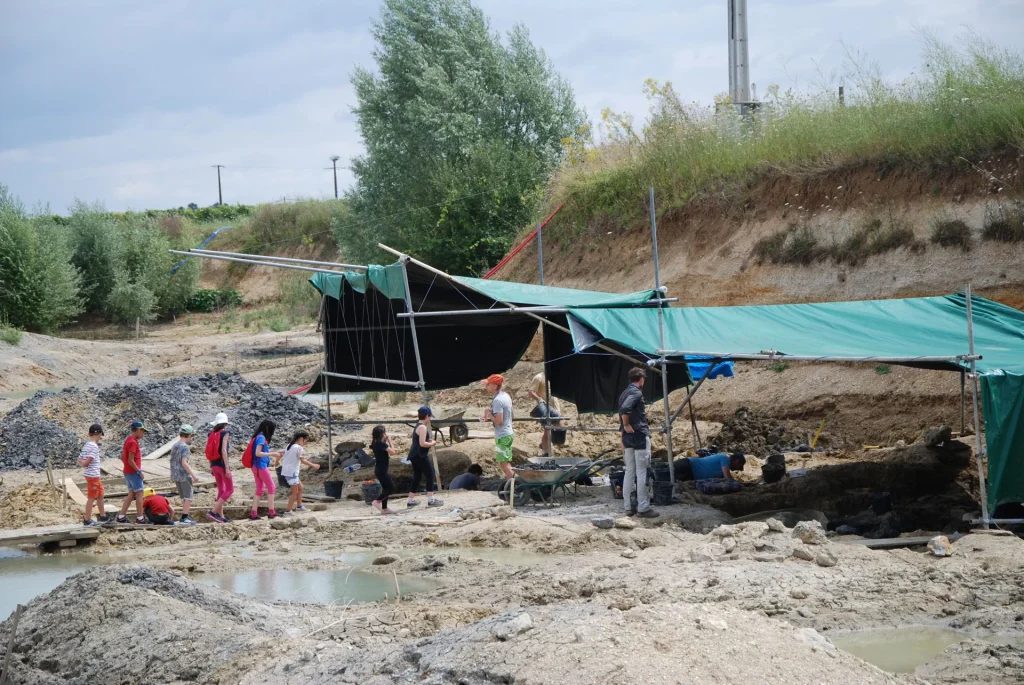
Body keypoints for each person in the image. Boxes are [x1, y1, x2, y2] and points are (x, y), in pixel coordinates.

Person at [618, 368, 658, 519]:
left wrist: (624, 431)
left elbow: (623, 409)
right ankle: (643, 508)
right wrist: (627, 424)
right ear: (641, 379)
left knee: (629, 471)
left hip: (628, 438)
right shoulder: (636, 393)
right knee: (642, 471)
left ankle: (628, 507)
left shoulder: (624, 393)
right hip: (639, 435)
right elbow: (625, 409)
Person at [407, 406, 443, 508]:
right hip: (420, 455)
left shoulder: (418, 426)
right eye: (429, 417)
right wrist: (433, 443)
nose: (429, 419)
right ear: (427, 416)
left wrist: (429, 442)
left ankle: (410, 500)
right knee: (430, 475)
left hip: (414, 455)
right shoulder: (422, 427)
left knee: (417, 477)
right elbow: (422, 444)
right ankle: (431, 500)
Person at [278, 430, 320, 515]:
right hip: (292, 472)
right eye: (305, 441)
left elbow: (281, 454)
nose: (305, 443)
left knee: (300, 488)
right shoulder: (299, 448)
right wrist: (313, 465)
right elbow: (302, 460)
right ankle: (288, 511)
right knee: (295, 492)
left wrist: (276, 461)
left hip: (288, 472)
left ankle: (299, 506)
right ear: (301, 439)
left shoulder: (289, 446)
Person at [248, 419, 283, 520]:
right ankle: (272, 512)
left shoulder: (257, 436)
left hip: (255, 466)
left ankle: (253, 513)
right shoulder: (261, 438)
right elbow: (258, 453)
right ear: (268, 428)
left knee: (260, 488)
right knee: (271, 487)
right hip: (261, 466)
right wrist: (272, 454)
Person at [482, 374, 515, 479]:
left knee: (504, 466)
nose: (486, 387)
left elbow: (499, 421)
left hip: (502, 436)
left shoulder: (497, 400)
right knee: (507, 463)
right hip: (507, 433)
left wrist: (489, 414)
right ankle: (513, 484)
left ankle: (515, 487)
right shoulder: (506, 396)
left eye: (488, 384)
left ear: (495, 386)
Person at [77, 423, 110, 526]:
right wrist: (85, 464)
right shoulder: (94, 446)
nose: (100, 437)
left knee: (100, 495)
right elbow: (86, 462)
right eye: (101, 435)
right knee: (91, 497)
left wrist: (83, 464)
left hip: (91, 475)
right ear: (99, 434)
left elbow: (79, 459)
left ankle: (103, 516)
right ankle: (87, 519)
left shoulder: (86, 445)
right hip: (93, 476)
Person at [116, 420, 148, 524]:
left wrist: (127, 467)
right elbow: (130, 459)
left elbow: (122, 457)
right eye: (142, 431)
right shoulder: (133, 442)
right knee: (139, 494)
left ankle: (121, 516)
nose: (143, 434)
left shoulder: (128, 440)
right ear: (138, 430)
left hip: (128, 471)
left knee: (131, 494)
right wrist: (138, 471)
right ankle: (140, 518)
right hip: (134, 472)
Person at [205, 412, 234, 523]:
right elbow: (223, 451)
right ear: (225, 424)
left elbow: (209, 449)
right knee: (230, 489)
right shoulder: (225, 433)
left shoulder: (211, 434)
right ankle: (213, 512)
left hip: (213, 464)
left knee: (221, 489)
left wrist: (210, 465)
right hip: (222, 464)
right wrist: (227, 467)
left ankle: (221, 517)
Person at [528, 371, 563, 456]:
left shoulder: (553, 377)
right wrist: (539, 399)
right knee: (548, 430)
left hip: (555, 408)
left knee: (552, 429)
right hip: (546, 408)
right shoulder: (539, 377)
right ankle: (545, 451)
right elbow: (531, 391)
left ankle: (544, 446)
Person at [169, 424, 199, 525]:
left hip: (175, 475)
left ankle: (185, 514)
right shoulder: (185, 447)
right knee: (188, 497)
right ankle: (184, 517)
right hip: (184, 475)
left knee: (184, 497)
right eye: (192, 436)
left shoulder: (174, 446)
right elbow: (184, 463)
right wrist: (194, 475)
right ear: (189, 435)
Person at [369, 425, 396, 514]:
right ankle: (377, 501)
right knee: (391, 487)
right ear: (382, 434)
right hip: (382, 471)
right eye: (384, 432)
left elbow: (382, 449)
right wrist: (390, 441)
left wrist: (385, 440)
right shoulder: (382, 444)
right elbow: (393, 452)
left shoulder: (375, 443)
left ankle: (384, 509)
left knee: (386, 488)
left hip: (379, 470)